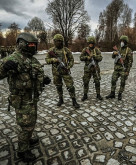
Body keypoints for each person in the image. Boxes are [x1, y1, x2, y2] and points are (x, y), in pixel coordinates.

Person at [0, 32, 51, 162]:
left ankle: (27, 139)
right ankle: (22, 151)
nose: (34, 47)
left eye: (35, 44)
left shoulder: (31, 58)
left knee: (31, 122)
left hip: (31, 98)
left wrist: (42, 80)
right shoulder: (14, 58)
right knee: (26, 125)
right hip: (22, 99)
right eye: (32, 44)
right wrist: (4, 68)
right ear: (23, 44)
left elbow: (33, 74)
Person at [45, 34, 80, 108]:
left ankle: (74, 100)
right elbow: (47, 60)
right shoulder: (51, 50)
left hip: (65, 72)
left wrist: (69, 66)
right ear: (54, 41)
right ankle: (61, 99)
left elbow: (71, 59)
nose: (58, 43)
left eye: (59, 41)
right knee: (58, 86)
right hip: (56, 72)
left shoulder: (66, 50)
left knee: (70, 86)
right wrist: (54, 60)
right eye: (56, 41)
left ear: (62, 42)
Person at [106, 35, 133, 100]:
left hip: (123, 68)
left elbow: (130, 62)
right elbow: (113, 57)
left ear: (126, 42)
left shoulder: (128, 50)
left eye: (123, 41)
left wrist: (127, 71)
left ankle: (120, 94)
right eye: (121, 41)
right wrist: (114, 54)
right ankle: (112, 93)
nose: (122, 42)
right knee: (113, 80)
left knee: (122, 82)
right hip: (117, 68)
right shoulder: (118, 49)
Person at [80, 36, 103, 101]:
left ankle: (98, 94)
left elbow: (100, 58)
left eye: (92, 43)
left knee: (97, 82)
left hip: (95, 68)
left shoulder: (97, 50)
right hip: (88, 68)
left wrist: (95, 56)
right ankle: (85, 95)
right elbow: (81, 58)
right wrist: (87, 57)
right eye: (90, 43)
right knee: (86, 82)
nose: (91, 44)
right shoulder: (85, 50)